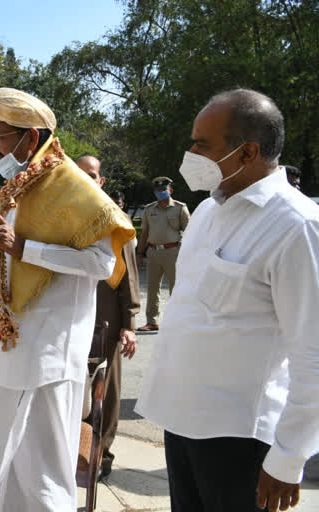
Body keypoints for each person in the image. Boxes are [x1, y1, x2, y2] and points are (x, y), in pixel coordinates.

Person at [136, 89, 319, 512]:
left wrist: (288, 458)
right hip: (182, 423)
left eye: (202, 144)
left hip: (239, 439)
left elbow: (312, 354)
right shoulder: (206, 212)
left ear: (247, 152)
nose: (190, 153)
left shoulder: (296, 227)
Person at [0, 87, 135, 512]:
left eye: (1, 137)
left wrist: (26, 249)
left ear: (31, 140)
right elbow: (1, 248)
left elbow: (102, 264)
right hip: (5, 344)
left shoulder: (74, 187)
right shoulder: (15, 185)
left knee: (42, 467)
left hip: (48, 353)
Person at [77, 155, 140, 479]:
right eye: (79, 174)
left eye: (92, 175)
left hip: (106, 324)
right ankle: (79, 450)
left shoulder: (115, 221)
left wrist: (129, 326)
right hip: (72, 323)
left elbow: (128, 278)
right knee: (77, 393)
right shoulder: (65, 216)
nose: (85, 179)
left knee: (106, 394)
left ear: (101, 181)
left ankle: (103, 455)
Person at [135, 177, 190, 332]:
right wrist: (140, 253)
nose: (160, 193)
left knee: (176, 288)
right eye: (158, 191)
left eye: (163, 190)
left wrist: (189, 254)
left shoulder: (180, 208)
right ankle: (152, 321)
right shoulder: (149, 209)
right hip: (153, 252)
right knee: (153, 289)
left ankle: (176, 321)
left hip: (173, 252)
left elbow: (190, 231)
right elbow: (144, 233)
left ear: (170, 191)